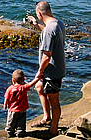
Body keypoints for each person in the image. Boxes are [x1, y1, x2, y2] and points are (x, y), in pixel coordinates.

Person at [28, 1, 66, 137]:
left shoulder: (50, 29)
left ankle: (54, 129)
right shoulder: (58, 23)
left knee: (54, 101)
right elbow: (49, 33)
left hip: (52, 72)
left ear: (39, 13)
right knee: (39, 88)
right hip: (54, 69)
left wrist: (40, 71)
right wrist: (37, 25)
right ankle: (46, 117)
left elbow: (47, 55)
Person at [4, 69, 43, 138]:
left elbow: (6, 98)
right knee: (21, 122)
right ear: (23, 80)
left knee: (11, 122)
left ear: (13, 80)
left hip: (12, 110)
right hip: (22, 109)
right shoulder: (24, 87)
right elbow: (31, 84)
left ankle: (10, 132)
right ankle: (20, 132)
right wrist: (38, 78)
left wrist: (5, 105)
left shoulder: (9, 89)